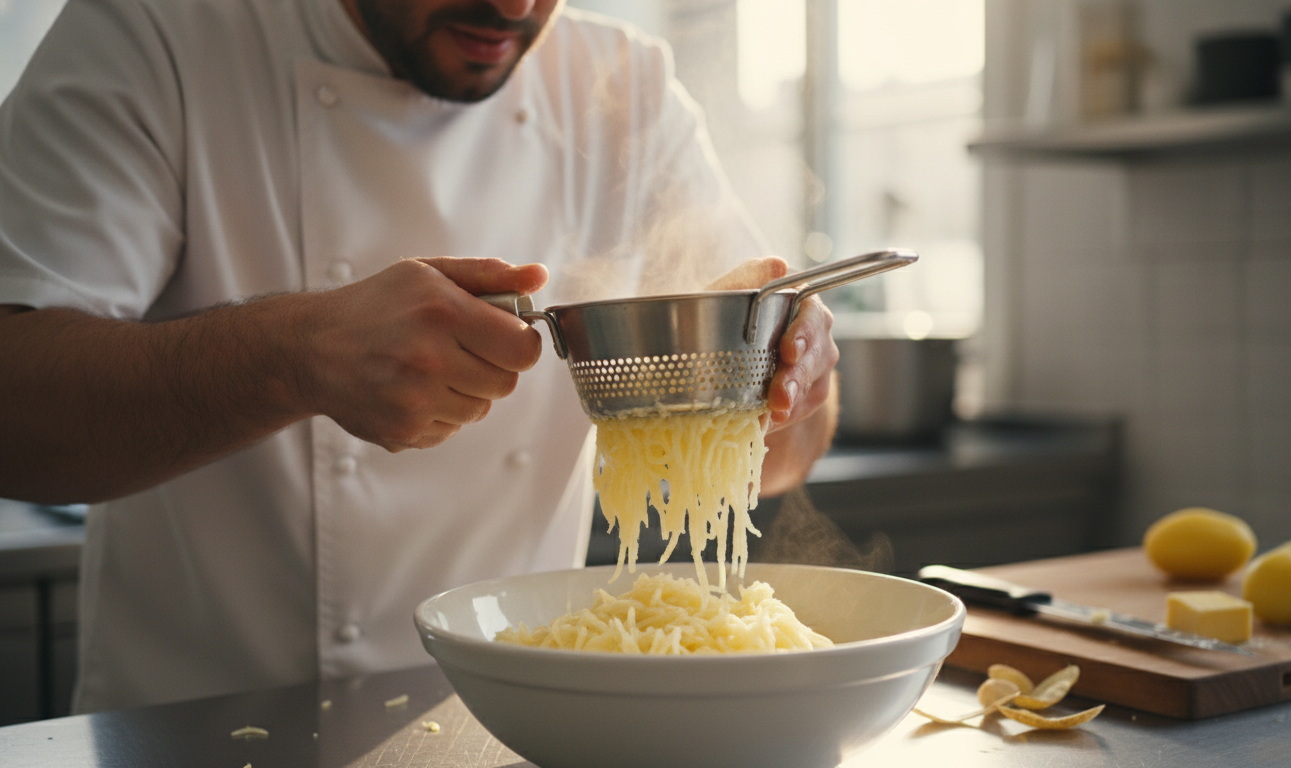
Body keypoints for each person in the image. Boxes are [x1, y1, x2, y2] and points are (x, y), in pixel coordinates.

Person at [0, 0, 840, 712]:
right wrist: (289, 354)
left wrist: (780, 374)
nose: (512, 8)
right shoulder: (156, 33)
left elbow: (784, 452)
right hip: (200, 733)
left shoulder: (622, 87)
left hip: (519, 727)